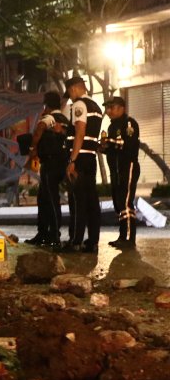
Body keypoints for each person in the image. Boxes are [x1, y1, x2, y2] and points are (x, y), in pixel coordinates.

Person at [64, 75, 104, 252]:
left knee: (78, 200)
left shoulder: (79, 105)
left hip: (80, 158)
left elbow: (79, 133)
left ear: (74, 89)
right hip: (91, 158)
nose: (71, 96)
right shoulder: (96, 106)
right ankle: (93, 241)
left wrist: (72, 160)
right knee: (92, 201)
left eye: (70, 93)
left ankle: (76, 241)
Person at [25, 91, 70, 246]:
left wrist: (32, 148)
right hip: (61, 163)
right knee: (45, 197)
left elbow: (39, 129)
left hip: (50, 164)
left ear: (47, 105)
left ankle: (52, 234)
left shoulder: (50, 117)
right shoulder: (65, 119)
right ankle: (44, 232)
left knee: (50, 199)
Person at [103, 96, 140, 248]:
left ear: (122, 108)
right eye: (107, 108)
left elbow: (128, 145)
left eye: (112, 107)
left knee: (125, 202)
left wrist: (109, 142)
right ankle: (122, 236)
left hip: (128, 166)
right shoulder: (112, 126)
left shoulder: (128, 123)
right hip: (116, 169)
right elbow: (113, 149)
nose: (108, 111)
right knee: (119, 204)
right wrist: (104, 148)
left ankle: (130, 239)